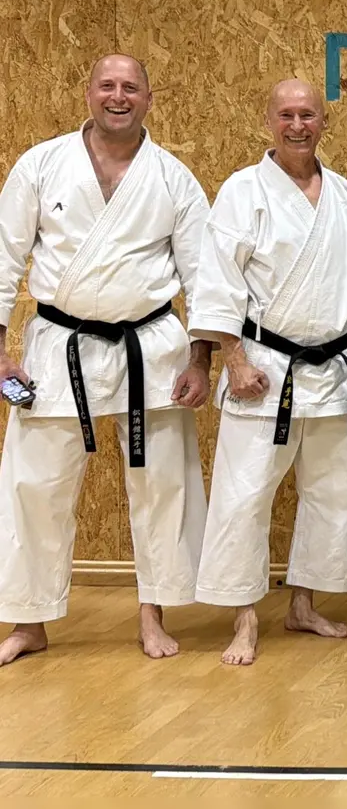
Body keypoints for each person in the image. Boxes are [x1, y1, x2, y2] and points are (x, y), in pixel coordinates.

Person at [0, 54, 211, 665]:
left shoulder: (173, 178)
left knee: (161, 483)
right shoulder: (40, 165)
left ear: (149, 98)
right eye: (107, 86)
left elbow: (204, 279)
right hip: (57, 344)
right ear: (88, 93)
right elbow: (5, 258)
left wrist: (201, 362)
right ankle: (29, 621)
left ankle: (153, 613)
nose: (118, 96)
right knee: (34, 484)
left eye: (131, 87)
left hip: (150, 346)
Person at [188, 78, 347, 666]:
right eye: (286, 115)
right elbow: (217, 281)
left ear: (325, 122)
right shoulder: (243, 191)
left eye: (308, 115)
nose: (298, 125)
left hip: (336, 367)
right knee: (244, 494)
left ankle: (303, 603)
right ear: (269, 121)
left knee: (333, 492)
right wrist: (236, 360)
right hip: (265, 368)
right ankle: (245, 619)